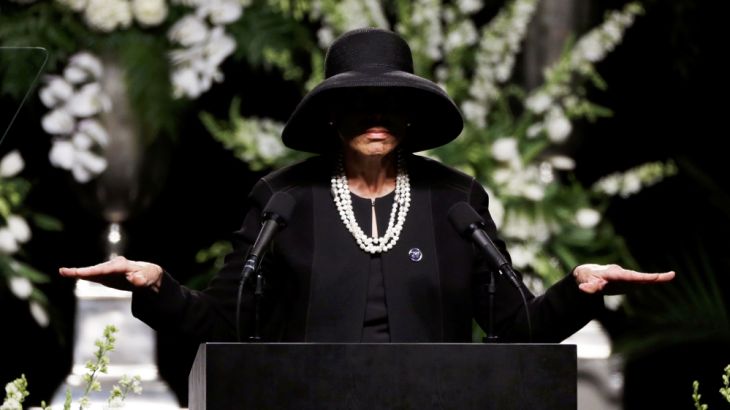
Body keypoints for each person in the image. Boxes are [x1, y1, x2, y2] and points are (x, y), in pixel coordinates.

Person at [59, 28, 674, 344]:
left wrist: (579, 290)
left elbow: (513, 329)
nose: (376, 116)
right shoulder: (283, 199)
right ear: (331, 115)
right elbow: (226, 324)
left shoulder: (456, 200)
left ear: (412, 117)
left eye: (392, 102)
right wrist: (158, 286)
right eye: (359, 101)